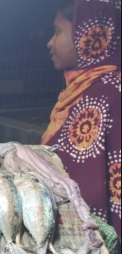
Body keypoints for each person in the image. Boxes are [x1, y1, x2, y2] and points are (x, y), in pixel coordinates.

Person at [42, 0, 121, 241]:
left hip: (100, 240)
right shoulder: (84, 89)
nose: (50, 43)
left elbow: (93, 181)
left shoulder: (108, 93)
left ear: (86, 36)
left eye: (57, 32)